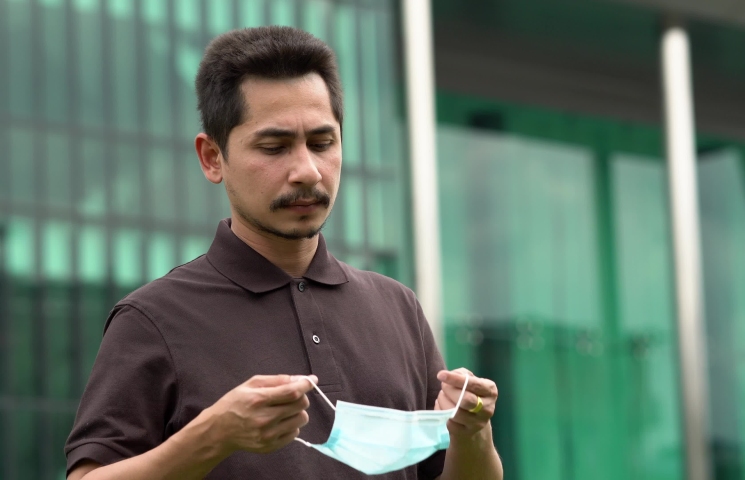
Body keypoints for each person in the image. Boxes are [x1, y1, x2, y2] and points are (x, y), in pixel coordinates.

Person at [64, 25, 502, 480]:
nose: (306, 172)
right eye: (274, 147)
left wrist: (472, 433)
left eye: (322, 143)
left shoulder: (398, 307)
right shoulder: (153, 318)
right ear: (212, 157)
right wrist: (213, 435)